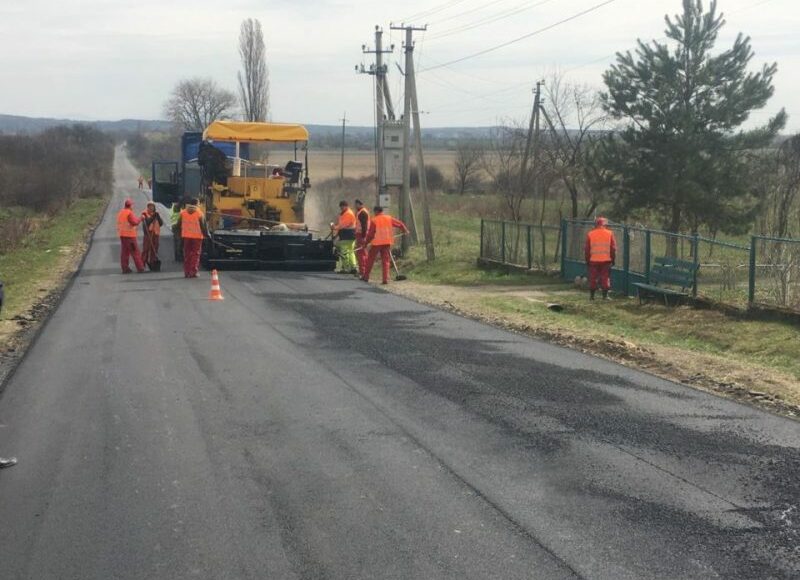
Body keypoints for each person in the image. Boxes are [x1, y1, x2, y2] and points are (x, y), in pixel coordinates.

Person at [362, 206, 409, 285]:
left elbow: (370, 235)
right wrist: (405, 230)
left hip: (377, 243)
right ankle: (385, 279)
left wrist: (365, 243)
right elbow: (399, 224)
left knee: (370, 259)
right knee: (386, 261)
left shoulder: (374, 220)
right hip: (387, 242)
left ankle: (366, 277)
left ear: (376, 211)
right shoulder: (388, 218)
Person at [585, 216, 617, 300]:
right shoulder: (610, 233)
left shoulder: (590, 234)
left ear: (596, 224)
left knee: (593, 278)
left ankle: (592, 296)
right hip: (606, 260)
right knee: (605, 278)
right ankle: (605, 296)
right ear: (605, 224)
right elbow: (613, 248)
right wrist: (613, 259)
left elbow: (587, 249)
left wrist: (587, 260)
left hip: (593, 260)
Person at [178, 199, 207, 278]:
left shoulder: (183, 213)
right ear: (197, 204)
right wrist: (207, 235)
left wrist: (180, 235)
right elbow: (203, 226)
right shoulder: (199, 213)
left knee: (187, 254)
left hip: (186, 237)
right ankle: (193, 272)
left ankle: (186, 272)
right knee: (195, 255)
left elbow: (178, 225)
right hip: (197, 237)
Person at [117, 199, 145, 274]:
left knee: (124, 252)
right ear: (130, 205)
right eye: (132, 205)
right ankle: (140, 268)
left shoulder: (121, 212)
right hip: (129, 236)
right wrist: (141, 218)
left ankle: (125, 268)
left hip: (122, 235)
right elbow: (134, 222)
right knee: (135, 251)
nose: (133, 206)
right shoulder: (129, 213)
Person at [331, 200, 358, 274]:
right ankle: (353, 267)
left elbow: (343, 225)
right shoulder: (344, 213)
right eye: (341, 207)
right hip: (349, 235)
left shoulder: (348, 214)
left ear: (346, 206)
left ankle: (346, 268)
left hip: (347, 235)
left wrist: (335, 227)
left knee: (344, 252)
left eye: (342, 207)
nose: (341, 208)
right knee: (350, 252)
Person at [140, 202, 163, 271]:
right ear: (147, 207)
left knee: (154, 249)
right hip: (148, 234)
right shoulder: (144, 214)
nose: (151, 208)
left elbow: (161, 223)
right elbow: (147, 222)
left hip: (156, 234)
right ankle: (142, 265)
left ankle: (153, 263)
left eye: (152, 206)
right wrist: (153, 217)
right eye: (149, 206)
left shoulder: (156, 214)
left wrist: (158, 216)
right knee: (146, 249)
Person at [354, 199, 370, 278]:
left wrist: (363, 236)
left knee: (361, 253)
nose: (355, 206)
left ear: (359, 204)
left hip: (361, 235)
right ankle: (364, 271)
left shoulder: (362, 213)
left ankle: (362, 272)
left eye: (356, 205)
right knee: (362, 253)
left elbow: (364, 225)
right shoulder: (361, 212)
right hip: (361, 234)